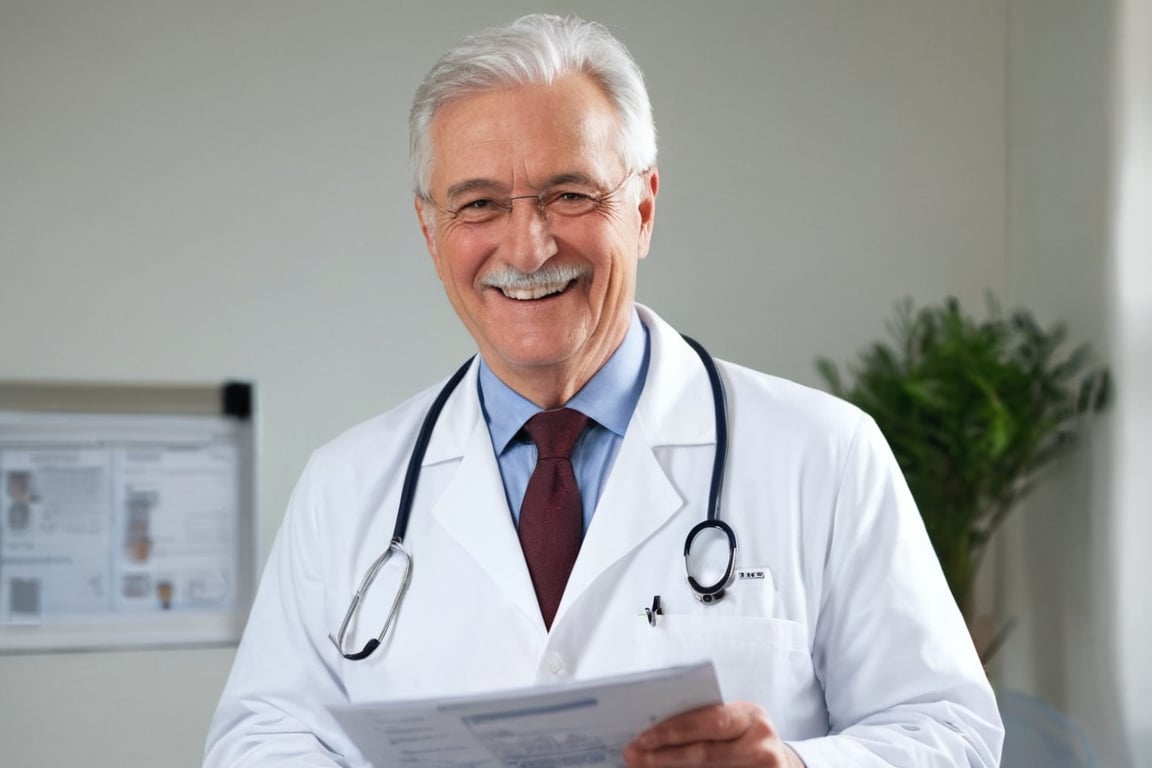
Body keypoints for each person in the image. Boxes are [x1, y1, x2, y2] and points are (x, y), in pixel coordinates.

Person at [204, 13, 1003, 767]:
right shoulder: (345, 487)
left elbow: (950, 730)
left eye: (570, 194)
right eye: (479, 203)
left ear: (644, 207)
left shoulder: (824, 454)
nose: (528, 243)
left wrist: (794, 764)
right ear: (430, 231)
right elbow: (260, 739)